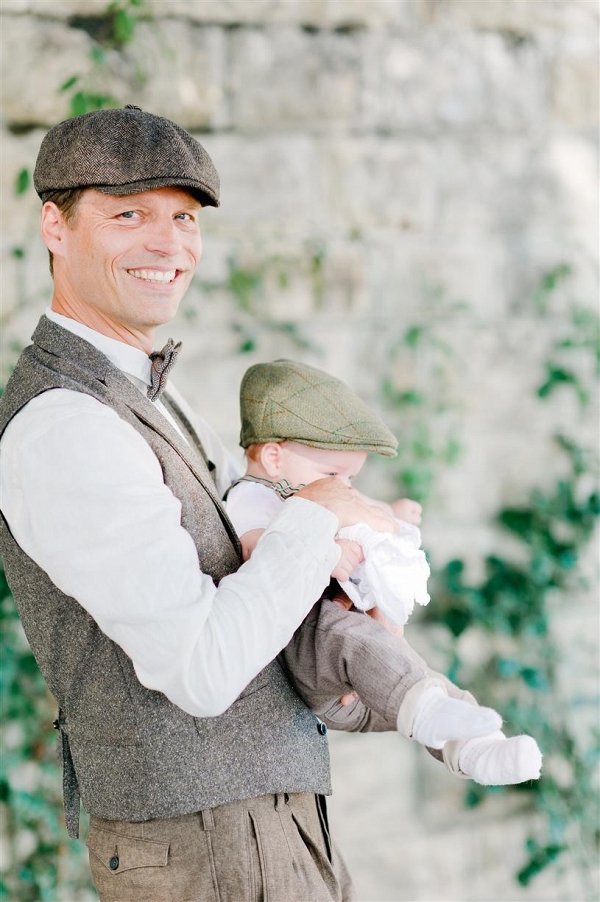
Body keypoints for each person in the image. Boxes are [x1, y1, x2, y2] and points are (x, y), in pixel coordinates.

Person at [0, 104, 402, 902]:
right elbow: (201, 669)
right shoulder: (64, 425)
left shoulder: (146, 391)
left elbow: (251, 571)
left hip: (262, 828)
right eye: (129, 215)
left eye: (183, 218)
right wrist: (320, 516)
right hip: (205, 849)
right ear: (55, 225)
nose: (168, 244)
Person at [226, 358, 544, 784]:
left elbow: (356, 506)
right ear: (273, 457)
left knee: (415, 670)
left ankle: (475, 748)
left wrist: (389, 512)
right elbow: (254, 549)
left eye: (351, 477)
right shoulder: (253, 497)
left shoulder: (310, 485)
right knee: (346, 634)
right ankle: (429, 712)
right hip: (311, 658)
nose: (344, 486)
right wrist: (326, 552)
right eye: (333, 474)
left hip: (364, 678)